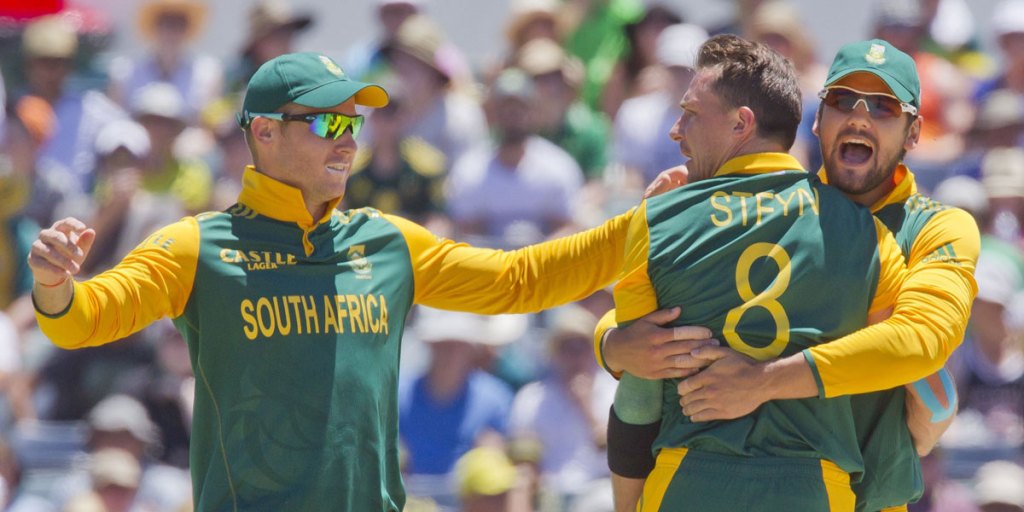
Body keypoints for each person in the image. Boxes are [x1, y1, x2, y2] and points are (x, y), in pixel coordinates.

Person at [29, 51, 638, 512]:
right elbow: (88, 316)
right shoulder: (196, 245)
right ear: (264, 132)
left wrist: (642, 226)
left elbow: (519, 280)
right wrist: (56, 285)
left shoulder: (387, 241)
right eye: (327, 125)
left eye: (353, 125)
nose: (346, 142)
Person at [600, 39, 980, 511]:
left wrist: (764, 380)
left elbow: (923, 343)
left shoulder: (936, 225)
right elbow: (654, 300)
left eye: (883, 107)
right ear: (817, 120)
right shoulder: (762, 207)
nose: (859, 119)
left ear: (914, 132)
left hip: (866, 498)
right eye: (843, 101)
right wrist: (612, 343)